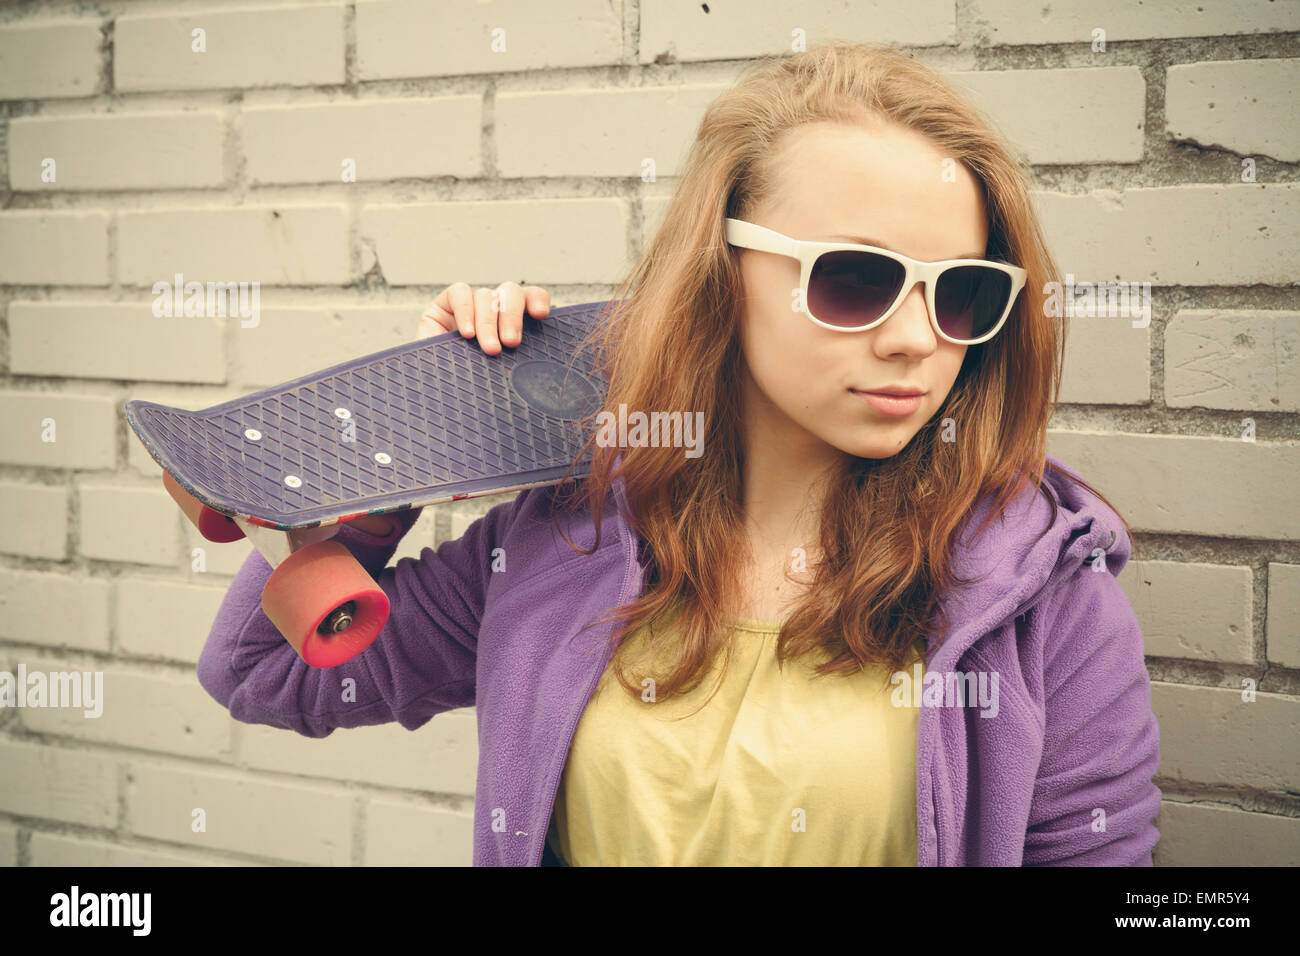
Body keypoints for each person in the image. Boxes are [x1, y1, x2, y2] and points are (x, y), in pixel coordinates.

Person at [198, 40, 1161, 866]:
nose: (917, 339)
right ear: (719, 271)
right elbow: (266, 671)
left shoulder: (1038, 595)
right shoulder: (563, 546)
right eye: (859, 278)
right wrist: (403, 445)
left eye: (961, 294)